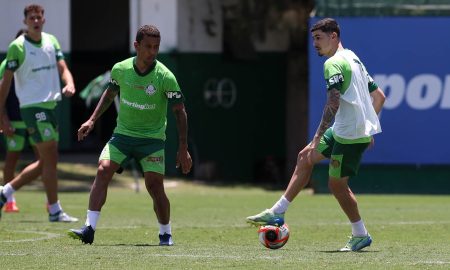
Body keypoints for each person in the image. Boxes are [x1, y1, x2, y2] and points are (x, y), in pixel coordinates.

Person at [246, 18, 386, 252]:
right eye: (313, 39)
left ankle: (360, 234)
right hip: (347, 129)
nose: (315, 44)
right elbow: (379, 96)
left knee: (337, 186)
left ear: (334, 36)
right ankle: (277, 212)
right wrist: (369, 127)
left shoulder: (334, 63)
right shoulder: (353, 58)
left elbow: (333, 101)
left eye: (319, 38)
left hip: (349, 135)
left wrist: (318, 136)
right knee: (305, 157)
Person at [68, 25, 192, 245]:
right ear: (136, 45)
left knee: (154, 186)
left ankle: (165, 233)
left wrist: (183, 149)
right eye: (147, 47)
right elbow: (109, 94)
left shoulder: (165, 76)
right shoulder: (120, 69)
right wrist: (91, 120)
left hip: (152, 141)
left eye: (156, 47)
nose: (152, 52)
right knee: (103, 170)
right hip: (123, 136)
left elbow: (179, 112)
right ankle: (89, 228)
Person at [0, 4, 78, 222]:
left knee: (48, 160)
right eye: (31, 17)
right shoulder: (17, 47)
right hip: (32, 108)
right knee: (48, 155)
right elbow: (4, 84)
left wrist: (69, 83)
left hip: (51, 107)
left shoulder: (51, 41)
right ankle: (53, 209)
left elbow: (63, 67)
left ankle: (6, 192)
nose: (36, 20)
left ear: (44, 20)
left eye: (39, 17)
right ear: (25, 22)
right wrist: (2, 116)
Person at [0, 29, 38, 213]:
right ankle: (8, 200)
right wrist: (3, 120)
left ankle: (52, 203)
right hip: (14, 122)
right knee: (12, 159)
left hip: (34, 119)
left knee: (45, 160)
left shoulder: (37, 63)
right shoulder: (7, 65)